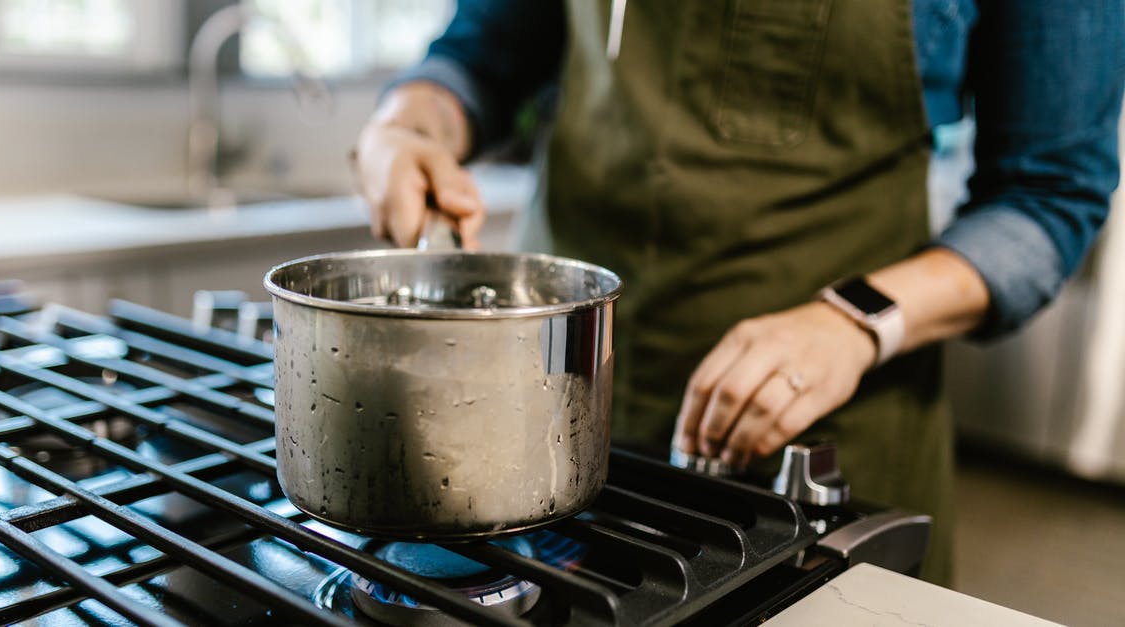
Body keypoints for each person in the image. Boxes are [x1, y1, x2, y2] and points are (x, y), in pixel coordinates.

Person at [351, 0, 1124, 584]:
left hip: (822, 445)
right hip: (548, 421)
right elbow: (481, 55)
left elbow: (1050, 193)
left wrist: (854, 320)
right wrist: (408, 125)